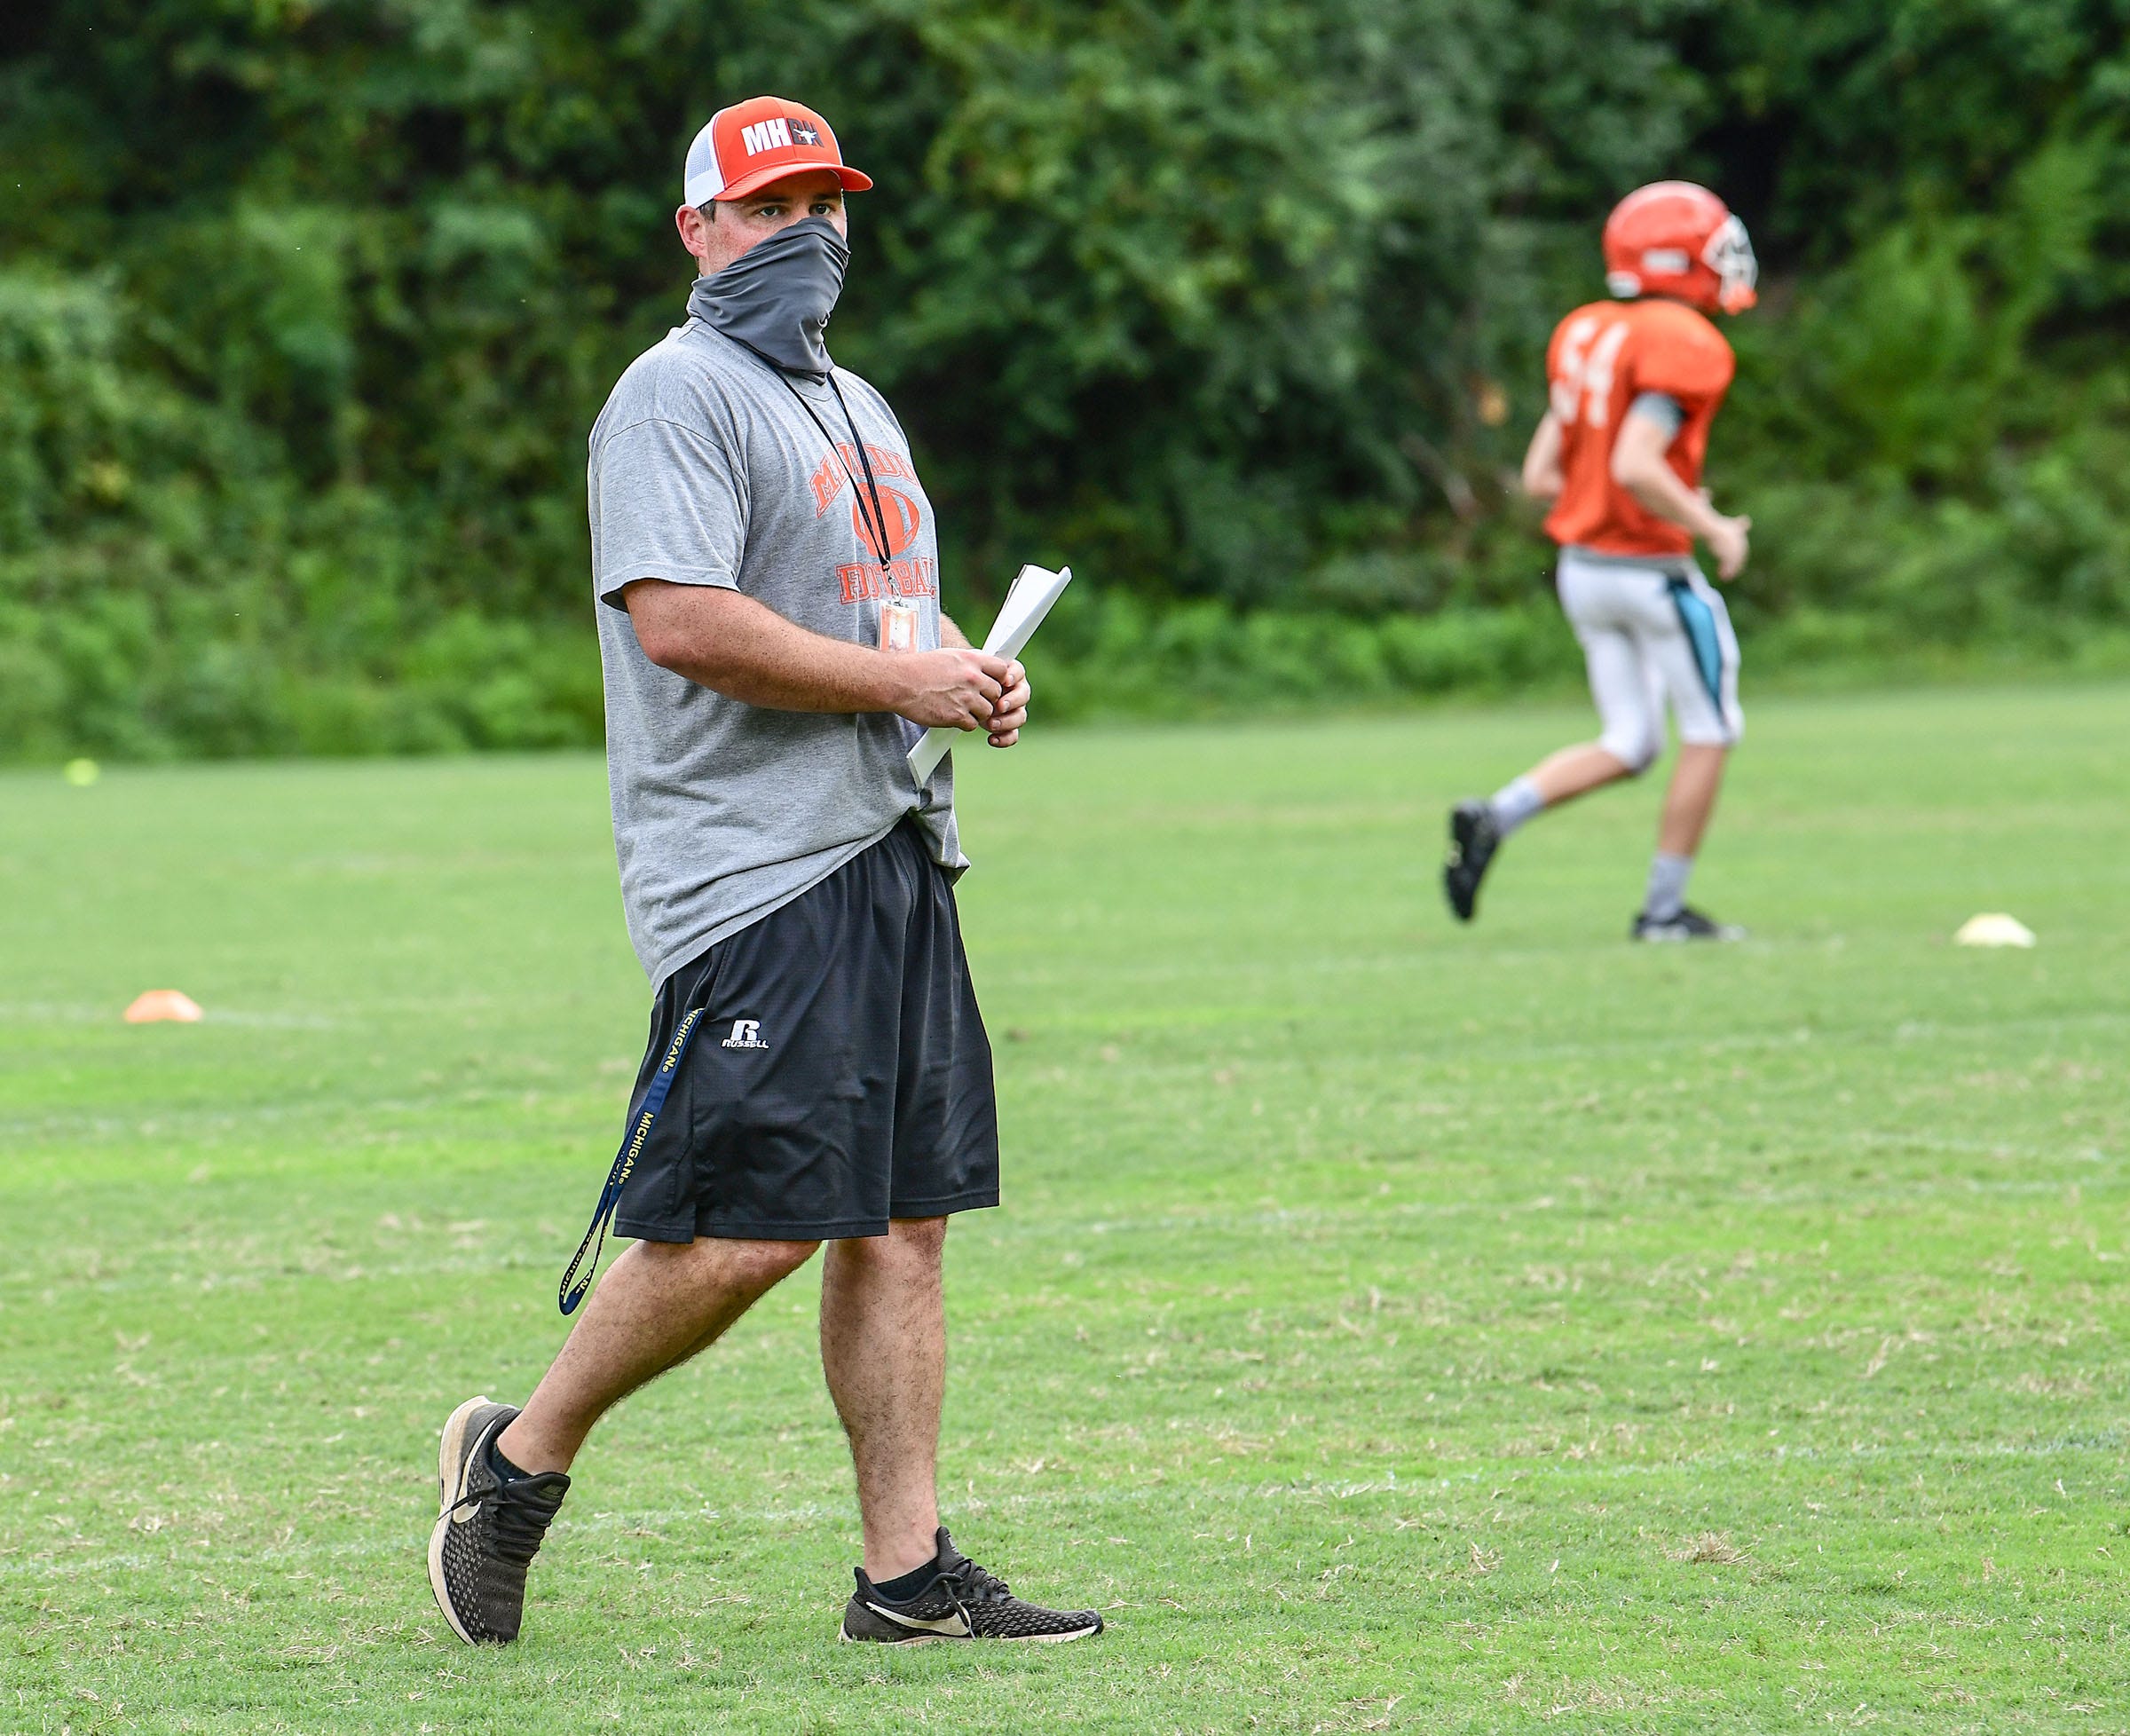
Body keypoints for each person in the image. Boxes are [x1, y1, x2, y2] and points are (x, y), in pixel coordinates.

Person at [425, 95, 1103, 1649]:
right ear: (699, 233)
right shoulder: (671, 396)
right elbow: (682, 620)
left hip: (891, 849)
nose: (804, 232)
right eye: (769, 207)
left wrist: (962, 673)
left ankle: (908, 1574)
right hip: (751, 870)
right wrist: (901, 687)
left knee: (903, 1219)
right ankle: (513, 1463)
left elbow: (882, 623)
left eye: (825, 205)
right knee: (748, 1229)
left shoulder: (860, 405)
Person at [1445, 181, 1758, 941]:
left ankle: (1498, 816)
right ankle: (1663, 911)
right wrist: (1710, 522)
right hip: (1649, 573)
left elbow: (1546, 473)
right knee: (1712, 729)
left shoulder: (1587, 331)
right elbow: (1635, 465)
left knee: (1631, 741)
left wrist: (1658, 492)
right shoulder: (1682, 342)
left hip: (1582, 570)